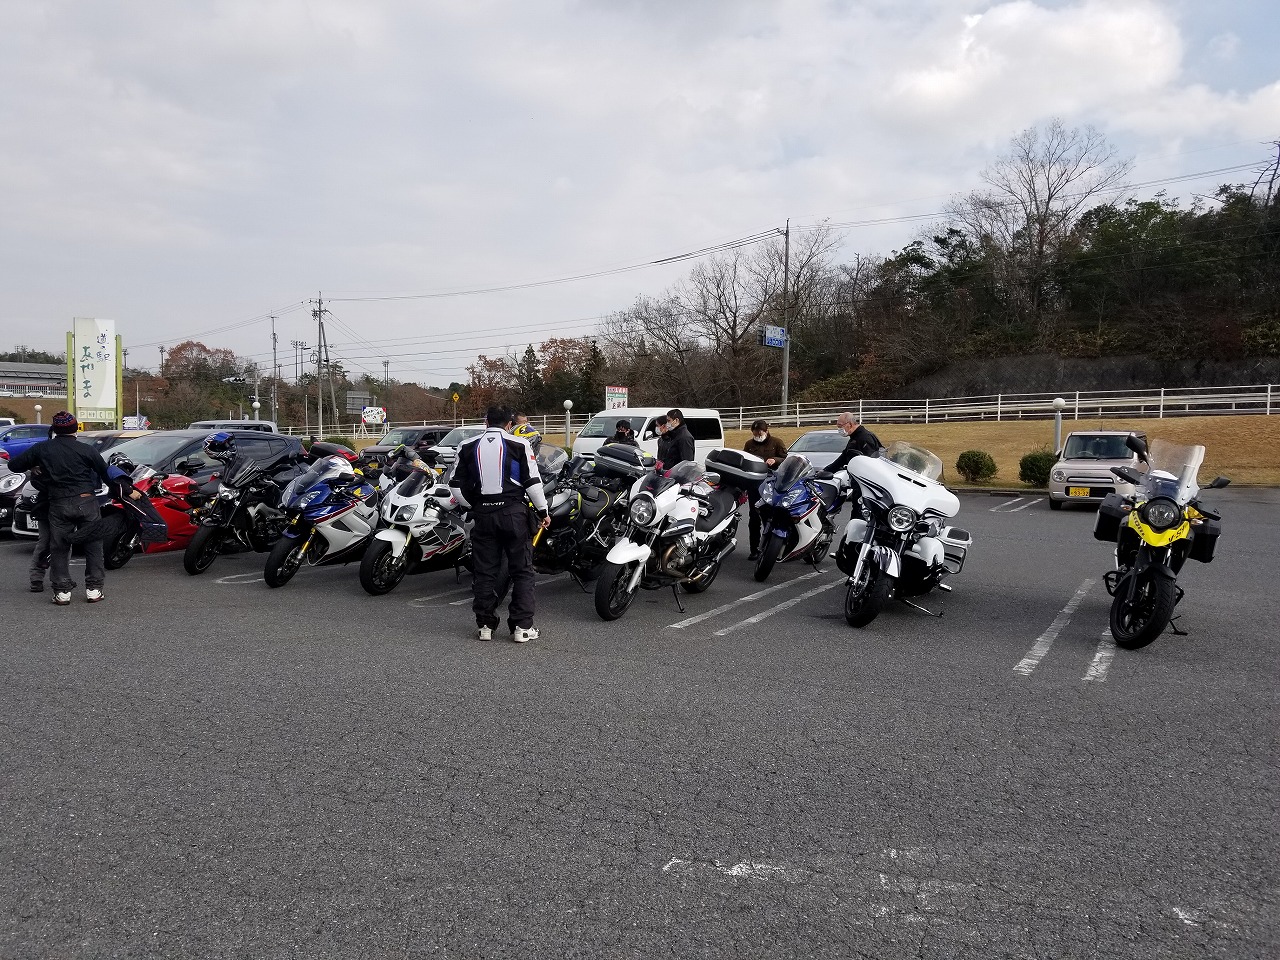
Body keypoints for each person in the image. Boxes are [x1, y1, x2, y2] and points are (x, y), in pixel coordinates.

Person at [7, 412, 132, 605]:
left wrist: (33, 467)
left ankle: (62, 591)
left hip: (59, 503)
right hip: (87, 501)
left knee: (59, 546)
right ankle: (94, 589)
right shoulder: (86, 449)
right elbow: (105, 472)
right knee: (93, 545)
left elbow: (14, 465)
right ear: (75, 429)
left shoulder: (42, 448)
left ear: (55, 429)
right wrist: (125, 491)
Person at [450, 406, 550, 643]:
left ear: (486, 422)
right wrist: (543, 512)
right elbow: (533, 483)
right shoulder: (519, 444)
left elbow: (455, 485)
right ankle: (522, 627)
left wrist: (473, 506)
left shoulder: (466, 445)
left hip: (483, 516)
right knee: (522, 571)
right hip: (514, 514)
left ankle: (485, 626)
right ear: (509, 424)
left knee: (485, 572)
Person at [742, 419, 789, 560]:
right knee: (754, 517)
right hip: (755, 484)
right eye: (755, 433)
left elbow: (786, 459)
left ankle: (772, 547)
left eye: (760, 433)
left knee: (770, 516)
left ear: (766, 431)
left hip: (771, 483)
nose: (757, 435)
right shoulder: (749, 444)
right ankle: (754, 549)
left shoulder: (776, 442)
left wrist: (775, 460)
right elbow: (745, 460)